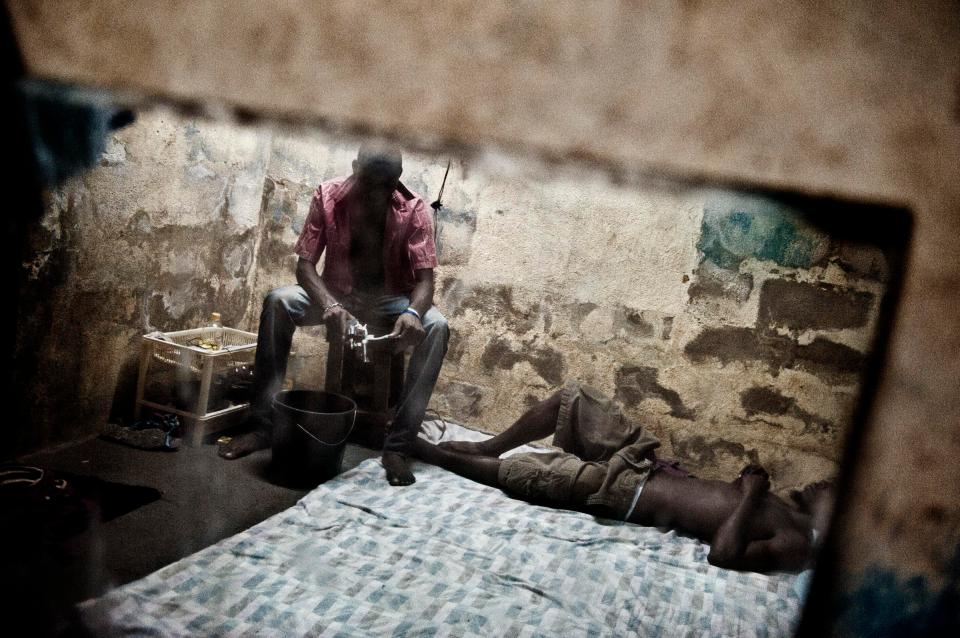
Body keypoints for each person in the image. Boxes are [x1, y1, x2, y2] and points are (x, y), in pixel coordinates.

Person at [413, 381, 834, 573]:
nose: (826, 486)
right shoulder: (789, 512)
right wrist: (747, 484)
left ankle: (428, 452)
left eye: (835, 495)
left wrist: (750, 494)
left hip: (629, 494)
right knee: (572, 398)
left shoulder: (797, 545)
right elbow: (725, 504)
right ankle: (489, 445)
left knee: (530, 473)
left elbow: (723, 555)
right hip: (648, 463)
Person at [220, 143, 449, 486]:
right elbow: (305, 267)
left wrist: (414, 312)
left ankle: (398, 447)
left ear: (397, 182)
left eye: (385, 187)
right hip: (336, 292)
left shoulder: (414, 208)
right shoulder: (327, 195)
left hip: (392, 300)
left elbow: (425, 281)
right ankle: (262, 426)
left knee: (438, 327)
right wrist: (330, 304)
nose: (375, 195)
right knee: (279, 301)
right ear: (355, 169)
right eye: (369, 183)